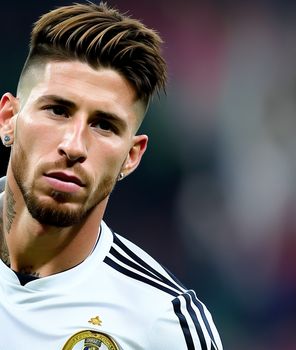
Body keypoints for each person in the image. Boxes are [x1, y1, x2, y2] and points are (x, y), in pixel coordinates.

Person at [0, 2, 222, 349]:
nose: (74, 146)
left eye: (103, 125)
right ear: (8, 118)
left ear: (131, 157)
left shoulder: (163, 321)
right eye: (57, 110)